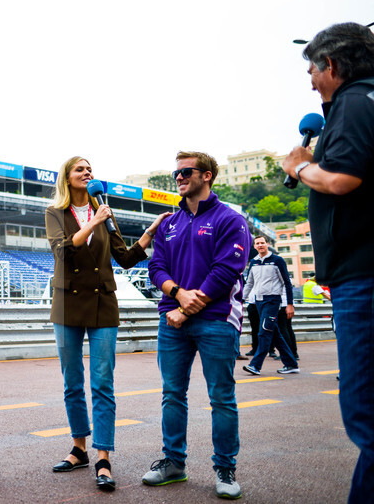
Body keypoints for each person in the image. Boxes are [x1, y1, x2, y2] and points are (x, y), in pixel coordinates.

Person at [282, 22, 374, 504]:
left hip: (364, 274)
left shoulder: (358, 102)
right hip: (359, 272)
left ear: (332, 65)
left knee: (365, 411)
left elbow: (340, 181)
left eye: (313, 70)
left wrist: (299, 165)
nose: (311, 81)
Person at [44, 156, 169, 492]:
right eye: (79, 169)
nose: (87, 173)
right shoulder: (55, 212)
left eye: (89, 169)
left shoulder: (104, 211)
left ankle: (102, 457)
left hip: (103, 303)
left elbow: (124, 258)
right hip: (68, 303)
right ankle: (78, 449)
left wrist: (148, 234)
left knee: (102, 382)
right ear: (67, 178)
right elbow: (62, 252)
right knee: (72, 383)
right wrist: (93, 221)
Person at [143, 151, 251, 500]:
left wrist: (187, 308)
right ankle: (174, 462)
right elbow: (156, 267)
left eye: (185, 171)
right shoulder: (170, 223)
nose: (178, 177)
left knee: (221, 397)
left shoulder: (230, 219)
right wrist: (176, 293)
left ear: (206, 176)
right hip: (172, 318)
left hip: (216, 320)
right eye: (176, 172)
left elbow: (225, 271)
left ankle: (225, 467)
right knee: (172, 394)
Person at [241, 236, 299, 376]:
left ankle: (255, 365)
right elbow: (249, 283)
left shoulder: (277, 260)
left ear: (267, 244)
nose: (260, 245)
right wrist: (241, 299)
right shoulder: (253, 262)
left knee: (264, 332)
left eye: (262, 243)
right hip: (259, 302)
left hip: (273, 301)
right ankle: (291, 364)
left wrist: (289, 304)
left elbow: (286, 283)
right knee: (274, 334)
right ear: (254, 246)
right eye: (257, 243)